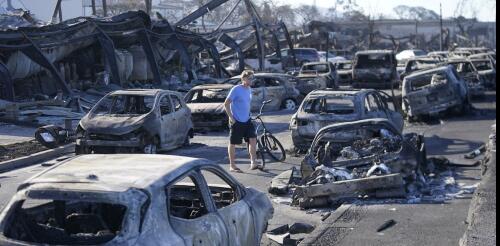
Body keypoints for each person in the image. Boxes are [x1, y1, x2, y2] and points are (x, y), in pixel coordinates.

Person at [224, 70, 260, 172]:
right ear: (243, 78)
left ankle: (253, 162)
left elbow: (246, 103)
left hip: (247, 120)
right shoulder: (236, 89)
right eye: (249, 78)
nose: (251, 80)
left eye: (252, 78)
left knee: (253, 139)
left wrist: (249, 114)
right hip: (237, 121)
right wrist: (231, 118)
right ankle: (232, 165)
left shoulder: (249, 89)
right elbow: (226, 104)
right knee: (233, 143)